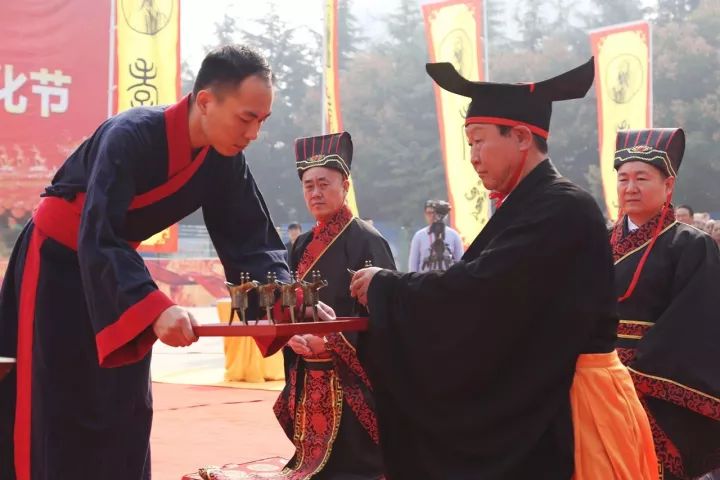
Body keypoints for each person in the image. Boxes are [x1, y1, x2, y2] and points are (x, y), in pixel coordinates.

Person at [349, 58, 656, 479]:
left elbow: (482, 289)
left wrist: (388, 287)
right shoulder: (530, 204)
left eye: (478, 142)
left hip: (577, 405)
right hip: (547, 393)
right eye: (468, 144)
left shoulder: (563, 206)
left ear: (522, 138)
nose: (472, 158)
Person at [0, 45, 290, 480]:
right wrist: (154, 307)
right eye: (247, 117)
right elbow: (99, 232)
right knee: (55, 401)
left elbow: (251, 240)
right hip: (57, 267)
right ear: (206, 101)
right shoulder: (130, 134)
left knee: (124, 406)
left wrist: (288, 306)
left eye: (262, 122)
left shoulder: (224, 160)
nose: (253, 133)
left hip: (116, 274)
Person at [264, 132, 394, 479]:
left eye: (324, 183)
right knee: (313, 464)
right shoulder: (300, 245)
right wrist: (291, 336)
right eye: (309, 185)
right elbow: (288, 303)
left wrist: (334, 340)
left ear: (345, 184)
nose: (316, 192)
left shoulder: (368, 240)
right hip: (308, 370)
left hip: (350, 377)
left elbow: (387, 316)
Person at [611, 128, 720, 480]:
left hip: (652, 383)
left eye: (641, 178)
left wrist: (633, 371)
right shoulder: (595, 243)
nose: (630, 188)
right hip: (595, 379)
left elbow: (695, 323)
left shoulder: (691, 245)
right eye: (623, 178)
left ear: (668, 186)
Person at [407, 200, 463, 272]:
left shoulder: (454, 235)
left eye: (434, 213)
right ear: (425, 214)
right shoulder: (419, 236)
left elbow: (461, 263)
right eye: (429, 213)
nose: (432, 216)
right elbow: (413, 267)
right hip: (425, 280)